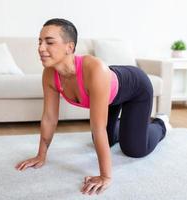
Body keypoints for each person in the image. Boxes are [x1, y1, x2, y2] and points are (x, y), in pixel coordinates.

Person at [15, 18, 171, 195]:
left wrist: (106, 176)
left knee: (134, 149)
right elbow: (49, 118)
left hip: (136, 88)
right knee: (107, 140)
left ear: (70, 47)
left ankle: (160, 123)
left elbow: (98, 127)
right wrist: (41, 155)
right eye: (40, 42)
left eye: (49, 42)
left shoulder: (94, 70)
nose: (41, 48)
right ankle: (130, 125)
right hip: (110, 93)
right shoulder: (50, 74)